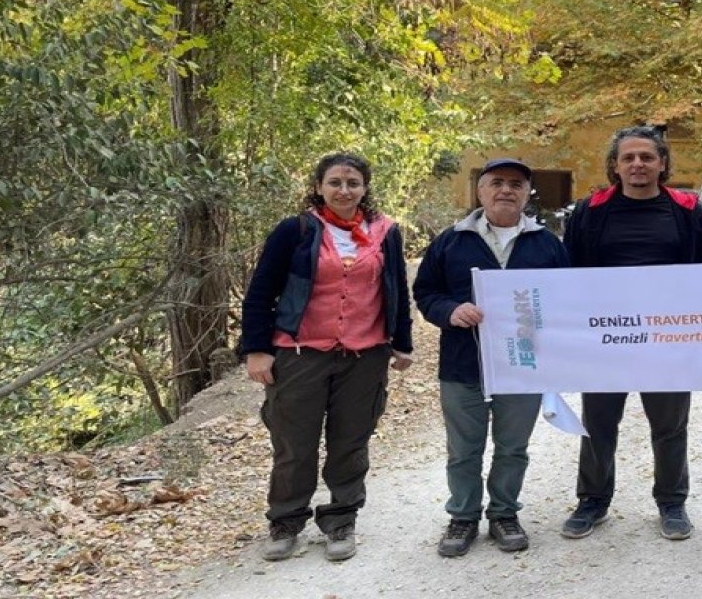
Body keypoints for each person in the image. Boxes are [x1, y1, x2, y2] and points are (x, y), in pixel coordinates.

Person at [240, 152, 414, 563]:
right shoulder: (295, 231)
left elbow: (395, 287)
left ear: (365, 188)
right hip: (300, 354)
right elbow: (261, 291)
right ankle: (285, 521)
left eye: (353, 182)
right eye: (335, 182)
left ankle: (340, 519)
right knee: (294, 443)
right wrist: (257, 350)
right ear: (319, 187)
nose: (344, 190)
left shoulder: (385, 232)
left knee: (350, 441)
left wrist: (401, 341)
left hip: (364, 355)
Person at [559, 126, 702, 541]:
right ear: (615, 165)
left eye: (646, 157)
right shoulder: (589, 211)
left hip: (667, 339)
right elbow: (571, 275)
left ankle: (672, 502)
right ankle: (592, 500)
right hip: (606, 339)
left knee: (669, 426)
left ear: (663, 163)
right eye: (628, 158)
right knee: (599, 424)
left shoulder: (687, 210)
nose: (637, 165)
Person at [414, 158, 569, 557]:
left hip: (522, 367)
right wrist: (450, 311)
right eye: (496, 182)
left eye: (516, 184)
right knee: (463, 449)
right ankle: (463, 517)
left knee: (513, 446)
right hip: (463, 365)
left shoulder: (547, 244)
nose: (505, 190)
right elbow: (426, 292)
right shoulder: (451, 241)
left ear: (526, 194)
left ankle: (504, 513)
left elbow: (567, 300)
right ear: (480, 191)